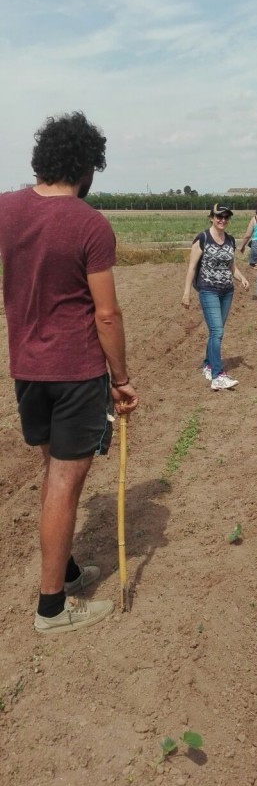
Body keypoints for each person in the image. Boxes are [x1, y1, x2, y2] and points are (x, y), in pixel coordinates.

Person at [0, 112, 139, 634]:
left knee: (53, 472)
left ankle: (69, 568)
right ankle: (52, 607)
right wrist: (120, 378)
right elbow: (106, 313)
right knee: (64, 479)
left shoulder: (6, 209)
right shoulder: (89, 223)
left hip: (27, 369)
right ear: (86, 168)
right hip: (76, 371)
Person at [182, 203, 249, 390]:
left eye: (226, 217)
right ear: (211, 217)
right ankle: (218, 376)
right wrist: (186, 292)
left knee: (215, 332)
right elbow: (192, 267)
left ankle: (208, 364)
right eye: (219, 216)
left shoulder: (230, 240)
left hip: (227, 291)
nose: (223, 220)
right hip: (208, 290)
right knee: (217, 332)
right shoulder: (202, 238)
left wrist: (241, 277)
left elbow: (232, 266)